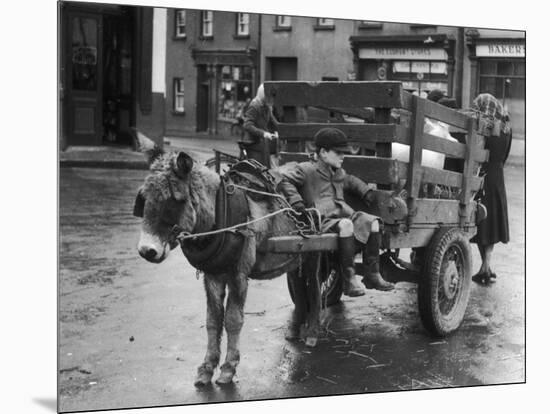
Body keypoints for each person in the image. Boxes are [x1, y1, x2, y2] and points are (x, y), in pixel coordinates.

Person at [279, 127, 401, 296]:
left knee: (373, 222)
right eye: (338, 152)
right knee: (346, 225)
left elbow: (351, 181)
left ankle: (372, 274)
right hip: (322, 219)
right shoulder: (306, 169)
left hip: (344, 215)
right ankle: (349, 280)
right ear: (323, 152)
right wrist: (296, 201)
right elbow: (283, 179)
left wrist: (365, 191)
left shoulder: (338, 173)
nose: (343, 156)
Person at [468, 93, 512, 285]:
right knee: (491, 221)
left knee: (482, 222)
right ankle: (486, 265)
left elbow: (476, 152)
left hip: (483, 175)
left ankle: (485, 267)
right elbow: (505, 156)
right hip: (498, 177)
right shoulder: (506, 128)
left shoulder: (484, 125)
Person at [242, 84, 279, 167]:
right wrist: (263, 133)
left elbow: (274, 122)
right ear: (263, 95)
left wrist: (280, 131)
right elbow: (247, 125)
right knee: (260, 169)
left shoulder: (267, 107)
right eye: (269, 96)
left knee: (268, 165)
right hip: (252, 142)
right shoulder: (254, 106)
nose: (271, 99)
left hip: (261, 142)